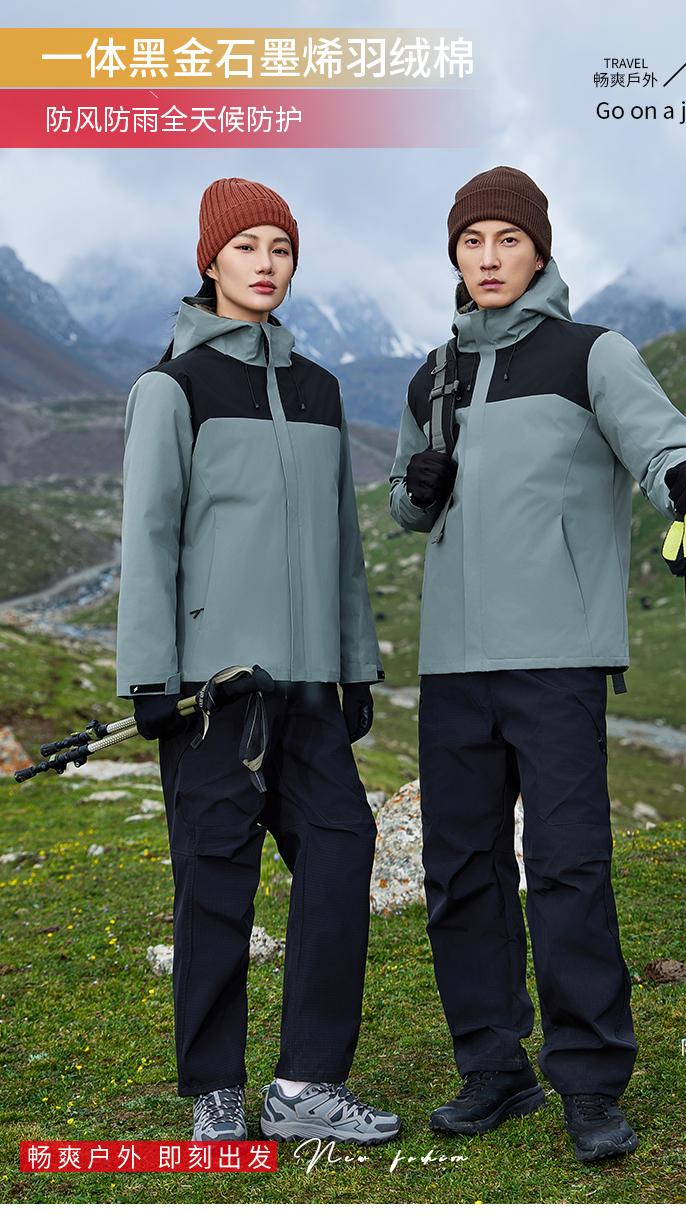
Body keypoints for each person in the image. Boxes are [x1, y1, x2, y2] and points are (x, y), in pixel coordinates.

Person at [388, 166, 686, 1163]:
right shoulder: (432, 376)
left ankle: (588, 1081)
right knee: (460, 872)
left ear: (538, 250)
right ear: (454, 256)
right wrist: (417, 489)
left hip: (556, 659)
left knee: (568, 868)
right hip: (453, 665)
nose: (489, 258)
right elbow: (407, 505)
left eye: (507, 239)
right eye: (472, 242)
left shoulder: (592, 353)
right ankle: (492, 1069)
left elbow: (659, 441)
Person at [115, 177, 401, 1145]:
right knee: (216, 879)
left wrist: (354, 665)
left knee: (342, 847)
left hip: (308, 686)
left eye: (281, 247)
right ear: (211, 261)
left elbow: (342, 540)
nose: (266, 264)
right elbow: (149, 536)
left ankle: (306, 1083)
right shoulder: (173, 388)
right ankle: (215, 1092)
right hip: (212, 692)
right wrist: (150, 678)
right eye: (247, 247)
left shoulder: (319, 388)